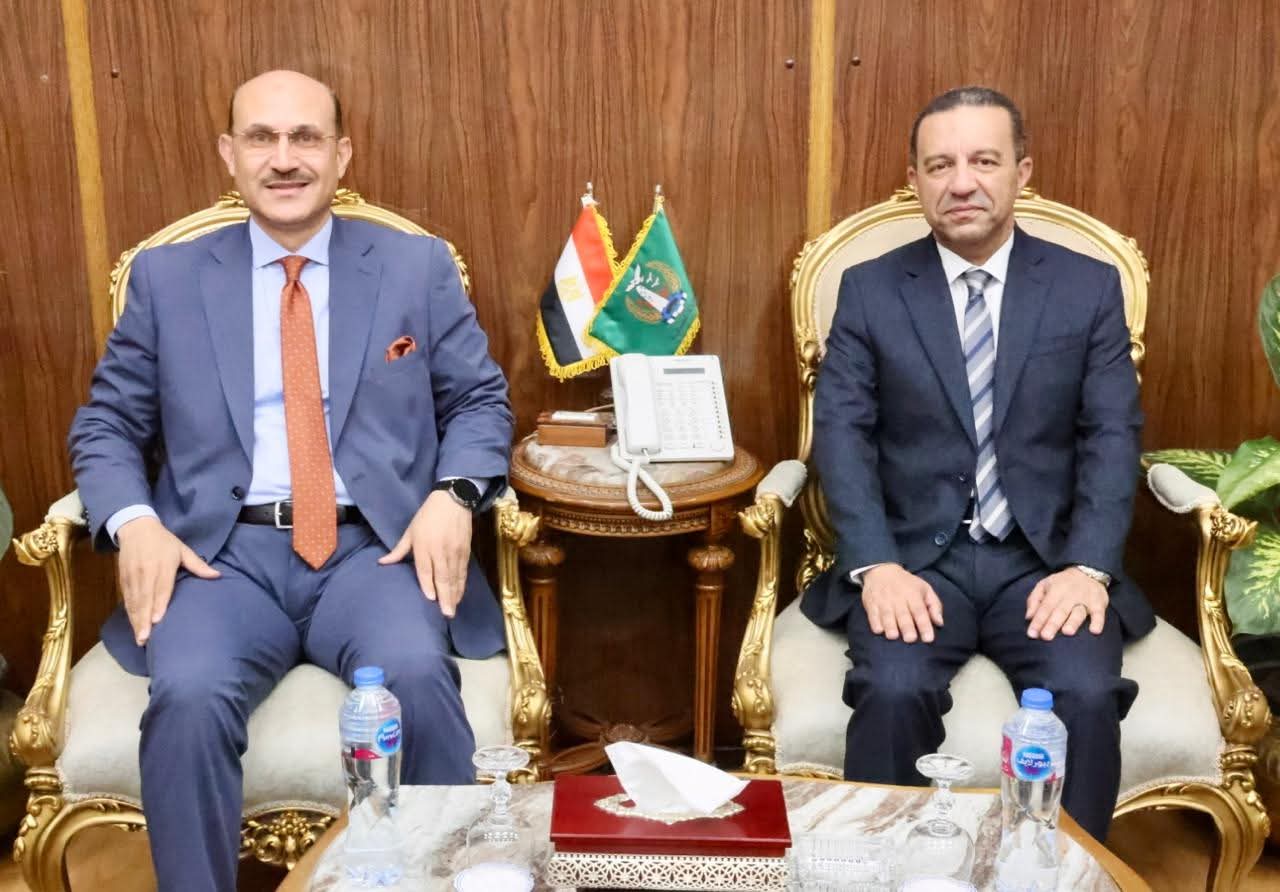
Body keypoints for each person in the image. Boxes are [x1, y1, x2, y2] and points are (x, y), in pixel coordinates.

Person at [69, 70, 513, 891]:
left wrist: (453, 496)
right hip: (221, 558)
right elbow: (106, 425)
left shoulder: (414, 268)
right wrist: (134, 520)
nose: (283, 158)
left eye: (305, 137)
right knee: (189, 694)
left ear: (342, 155)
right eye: (262, 138)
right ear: (229, 155)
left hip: (373, 550)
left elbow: (479, 402)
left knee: (418, 677)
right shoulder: (168, 280)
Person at [804, 86, 1152, 842]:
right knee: (891, 688)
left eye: (984, 161)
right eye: (940, 165)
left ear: (1022, 171)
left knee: (1086, 694)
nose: (961, 182)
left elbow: (1111, 435)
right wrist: (876, 566)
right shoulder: (869, 290)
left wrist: (1088, 567)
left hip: (1044, 562)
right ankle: (883, 873)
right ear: (915, 180)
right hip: (915, 561)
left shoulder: (1087, 287)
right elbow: (842, 436)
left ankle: (1066, 877)